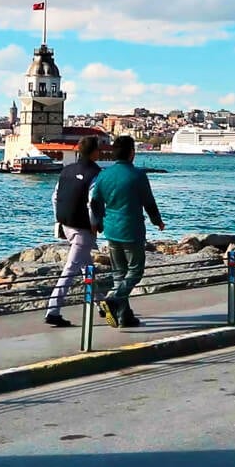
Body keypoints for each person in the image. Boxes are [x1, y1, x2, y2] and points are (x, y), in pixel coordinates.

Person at [88, 136, 163, 328]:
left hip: (111, 229)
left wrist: (100, 222)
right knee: (136, 271)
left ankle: (124, 317)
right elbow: (149, 202)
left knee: (119, 273)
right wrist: (157, 222)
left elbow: (94, 201)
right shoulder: (137, 175)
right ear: (132, 153)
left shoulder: (104, 174)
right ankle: (113, 299)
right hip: (132, 230)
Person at [44, 136, 102, 328]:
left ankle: (102, 304)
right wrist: (95, 224)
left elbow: (55, 197)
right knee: (71, 268)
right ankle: (53, 310)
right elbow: (92, 202)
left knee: (87, 267)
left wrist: (58, 220)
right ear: (95, 152)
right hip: (83, 228)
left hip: (66, 225)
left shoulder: (66, 170)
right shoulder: (96, 173)